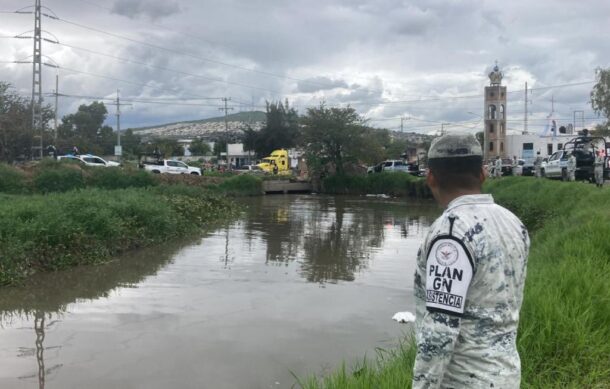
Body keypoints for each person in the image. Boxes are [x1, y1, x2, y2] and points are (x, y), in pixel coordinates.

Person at [413, 133, 530, 388]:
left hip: (462, 381)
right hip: (506, 375)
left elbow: (440, 330)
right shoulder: (514, 223)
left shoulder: (450, 233)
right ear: (483, 174)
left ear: (430, 177)